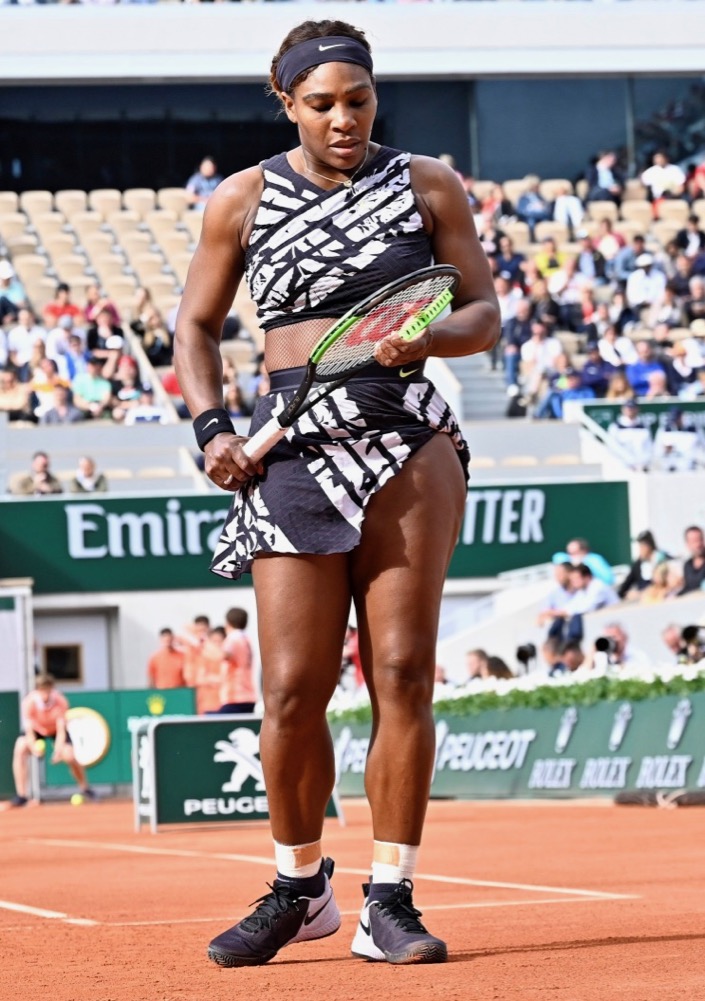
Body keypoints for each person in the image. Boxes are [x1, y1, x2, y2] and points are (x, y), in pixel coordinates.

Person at [173, 19, 500, 969]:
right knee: (288, 690)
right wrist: (212, 429)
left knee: (400, 672)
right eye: (320, 104)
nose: (344, 119)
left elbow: (478, 311)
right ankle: (298, 886)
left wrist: (426, 340)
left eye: (357, 100)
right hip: (291, 453)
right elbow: (194, 330)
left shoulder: (427, 183)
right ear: (285, 104)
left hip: (407, 441)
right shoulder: (240, 199)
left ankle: (387, 898)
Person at [2, 674, 95, 809]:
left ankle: (85, 788)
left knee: (70, 756)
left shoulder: (60, 701)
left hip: (55, 731)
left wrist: (58, 751)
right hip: (37, 730)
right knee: (20, 747)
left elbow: (61, 729)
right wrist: (34, 748)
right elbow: (29, 729)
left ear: (52, 689)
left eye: (47, 690)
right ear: (37, 690)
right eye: (41, 690)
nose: (45, 694)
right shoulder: (29, 702)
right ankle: (21, 795)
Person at [217, 607, 257, 714]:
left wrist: (203, 642)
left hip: (235, 696)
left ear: (227, 622)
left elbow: (223, 655)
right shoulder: (246, 639)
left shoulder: (233, 639)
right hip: (248, 695)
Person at [617, 530, 669, 600]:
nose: (641, 549)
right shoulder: (638, 565)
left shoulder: (662, 559)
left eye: (643, 545)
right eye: (640, 546)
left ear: (649, 546)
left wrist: (641, 593)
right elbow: (625, 586)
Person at [678, 524, 705, 594]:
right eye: (694, 541)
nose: (698, 544)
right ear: (688, 544)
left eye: (700, 539)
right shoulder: (687, 565)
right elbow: (688, 588)